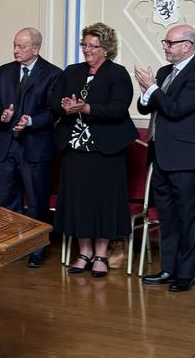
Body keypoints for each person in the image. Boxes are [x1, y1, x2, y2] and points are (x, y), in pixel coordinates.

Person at [52, 22, 137, 278]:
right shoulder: (72, 71)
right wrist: (65, 106)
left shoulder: (117, 73)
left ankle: (101, 254)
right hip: (75, 149)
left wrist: (87, 108)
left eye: (93, 46)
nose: (87, 50)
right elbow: (54, 102)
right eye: (84, 45)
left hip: (105, 152)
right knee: (79, 203)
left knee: (102, 204)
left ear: (106, 49)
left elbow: (118, 109)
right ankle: (83, 252)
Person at [134, 24, 195, 292]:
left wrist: (153, 88)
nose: (165, 47)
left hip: (186, 159)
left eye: (169, 42)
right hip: (160, 155)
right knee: (166, 218)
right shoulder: (164, 72)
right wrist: (147, 90)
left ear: (186, 46)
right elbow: (145, 107)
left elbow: (176, 110)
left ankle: (186, 274)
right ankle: (168, 268)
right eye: (165, 42)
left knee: (187, 219)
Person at [0, 27, 61, 267]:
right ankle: (12, 246)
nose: (15, 50)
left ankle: (37, 248)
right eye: (15, 45)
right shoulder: (4, 71)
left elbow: (54, 112)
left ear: (36, 48)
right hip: (7, 145)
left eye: (21, 46)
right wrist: (2, 114)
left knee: (37, 202)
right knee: (9, 200)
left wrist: (30, 121)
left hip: (35, 147)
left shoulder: (53, 74)